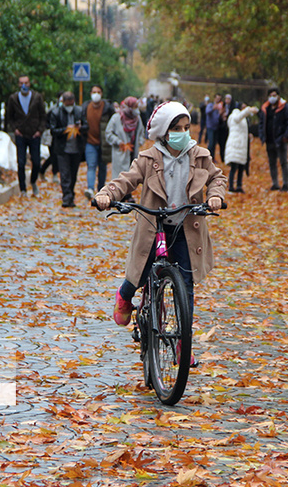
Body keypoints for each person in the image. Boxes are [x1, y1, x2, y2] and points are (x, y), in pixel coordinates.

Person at [94, 101, 226, 364]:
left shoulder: (199, 155)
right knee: (141, 270)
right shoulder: (148, 158)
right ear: (164, 131)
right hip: (155, 225)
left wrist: (215, 196)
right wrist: (106, 195)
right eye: (177, 128)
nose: (183, 133)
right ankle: (125, 295)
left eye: (187, 127)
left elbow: (217, 178)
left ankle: (182, 345)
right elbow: (126, 180)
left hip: (185, 228)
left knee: (185, 284)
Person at [5, 75, 46, 196]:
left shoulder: (37, 97)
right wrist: (15, 129)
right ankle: (23, 189)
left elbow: (43, 116)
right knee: (21, 162)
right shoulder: (13, 98)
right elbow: (10, 117)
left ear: (30, 84)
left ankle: (33, 181)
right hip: (21, 135)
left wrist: (40, 130)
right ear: (18, 84)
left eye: (26, 82)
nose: (24, 85)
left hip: (34, 135)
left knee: (36, 162)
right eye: (21, 83)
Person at [47, 91, 87, 208]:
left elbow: (86, 126)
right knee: (64, 174)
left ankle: (71, 193)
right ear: (63, 102)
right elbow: (53, 131)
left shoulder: (79, 111)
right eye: (67, 104)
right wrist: (66, 129)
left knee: (73, 174)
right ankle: (67, 197)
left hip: (76, 149)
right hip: (62, 149)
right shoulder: (56, 113)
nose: (69, 107)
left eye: (71, 104)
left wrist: (80, 128)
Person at [106, 96, 146, 199]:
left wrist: (139, 142)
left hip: (133, 151)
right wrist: (119, 142)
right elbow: (108, 134)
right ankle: (118, 195)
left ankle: (128, 195)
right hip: (120, 151)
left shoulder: (137, 119)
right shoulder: (116, 118)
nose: (136, 109)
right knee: (119, 174)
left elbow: (142, 133)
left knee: (131, 173)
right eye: (134, 107)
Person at [259, 87, 288, 191]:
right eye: (270, 95)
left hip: (280, 140)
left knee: (283, 162)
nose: (272, 98)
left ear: (278, 96)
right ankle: (275, 183)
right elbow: (262, 123)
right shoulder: (265, 108)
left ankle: (285, 184)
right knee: (272, 163)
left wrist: (285, 136)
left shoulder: (285, 108)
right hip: (269, 140)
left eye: (274, 95)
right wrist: (262, 136)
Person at [83, 85, 115, 201]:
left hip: (103, 143)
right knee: (91, 166)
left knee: (102, 167)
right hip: (90, 142)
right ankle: (90, 189)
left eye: (98, 92)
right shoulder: (86, 107)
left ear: (101, 94)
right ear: (90, 93)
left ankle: (101, 190)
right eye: (94, 92)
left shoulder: (107, 108)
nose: (96, 94)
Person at [224, 103, 257, 192]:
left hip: (241, 146)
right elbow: (238, 117)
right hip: (235, 146)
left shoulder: (243, 119)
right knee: (234, 167)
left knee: (241, 167)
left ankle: (239, 185)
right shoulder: (235, 115)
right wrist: (249, 110)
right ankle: (231, 186)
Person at [205, 94, 225, 162]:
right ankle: (207, 157)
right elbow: (207, 112)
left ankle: (212, 158)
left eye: (219, 99)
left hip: (216, 127)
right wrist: (214, 108)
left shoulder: (219, 107)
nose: (218, 100)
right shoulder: (210, 105)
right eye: (217, 98)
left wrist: (221, 114)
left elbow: (218, 117)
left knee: (214, 144)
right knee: (211, 143)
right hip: (210, 127)